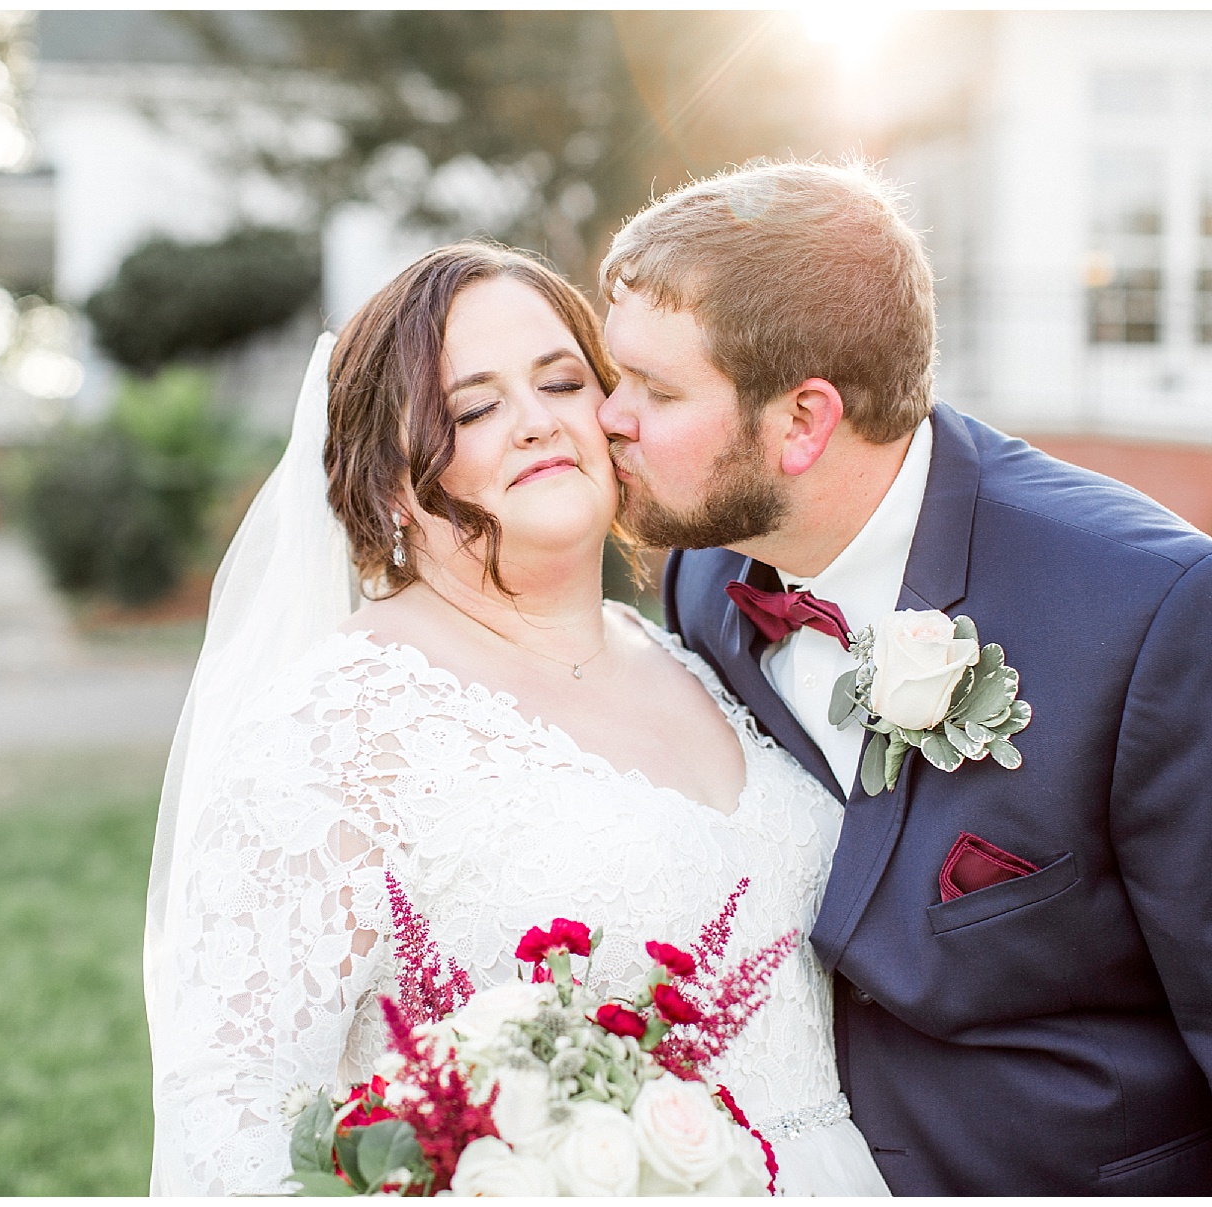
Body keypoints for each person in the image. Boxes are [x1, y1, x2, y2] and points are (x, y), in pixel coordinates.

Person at [596, 159, 1212, 1194]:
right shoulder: (704, 575)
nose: (607, 416)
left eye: (656, 390)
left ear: (804, 420)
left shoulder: (1167, 617)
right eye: (612, 374)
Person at [143, 243, 891, 1195]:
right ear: (385, 486)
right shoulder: (338, 726)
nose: (536, 422)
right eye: (475, 407)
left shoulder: (695, 654)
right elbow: (233, 1129)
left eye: (562, 381)